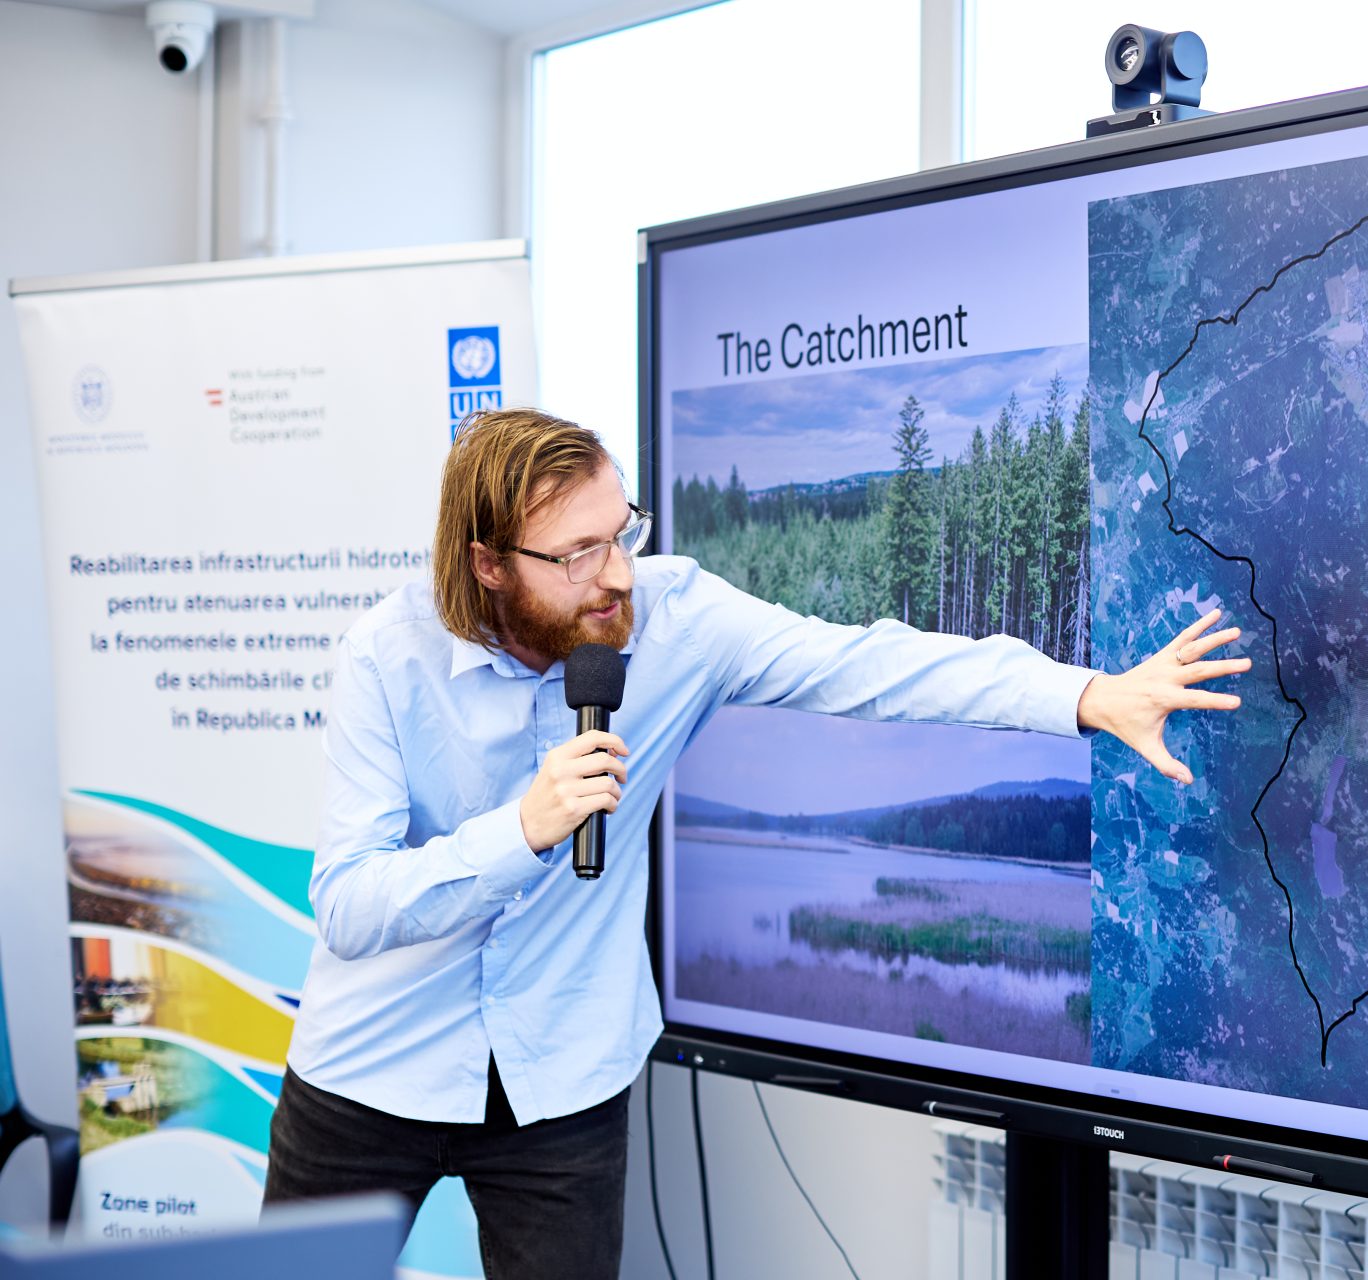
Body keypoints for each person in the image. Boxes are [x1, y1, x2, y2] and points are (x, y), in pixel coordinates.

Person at [262, 407, 1247, 1277]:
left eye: (623, 532)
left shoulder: (679, 621)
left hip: (563, 1076)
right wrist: (521, 830)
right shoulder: (386, 657)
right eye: (578, 555)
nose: (618, 575)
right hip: (371, 1073)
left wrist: (1087, 695)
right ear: (490, 565)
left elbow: (872, 664)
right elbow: (347, 904)